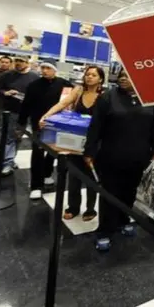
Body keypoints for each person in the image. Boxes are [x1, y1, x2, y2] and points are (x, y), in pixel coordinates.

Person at [83, 69, 154, 251]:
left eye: (127, 75)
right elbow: (95, 127)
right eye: (121, 76)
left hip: (138, 156)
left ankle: (123, 220)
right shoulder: (107, 98)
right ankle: (104, 231)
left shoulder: (151, 100)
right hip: (111, 155)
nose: (123, 79)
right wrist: (89, 151)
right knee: (110, 194)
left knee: (129, 191)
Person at [41, 65, 104, 221]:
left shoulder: (105, 95)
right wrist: (46, 116)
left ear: (100, 79)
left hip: (95, 141)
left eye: (93, 75)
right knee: (74, 175)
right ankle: (73, 207)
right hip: (75, 140)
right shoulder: (78, 91)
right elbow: (62, 104)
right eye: (87, 74)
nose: (89, 77)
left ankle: (90, 209)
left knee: (92, 176)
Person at [18, 60, 73, 199]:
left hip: (58, 124)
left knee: (53, 151)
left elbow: (71, 102)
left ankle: (47, 174)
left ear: (54, 70)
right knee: (37, 153)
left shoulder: (65, 84)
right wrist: (21, 123)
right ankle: (36, 185)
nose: (44, 71)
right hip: (39, 124)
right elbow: (26, 105)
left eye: (48, 68)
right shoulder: (33, 85)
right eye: (42, 68)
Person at [0, 56, 40, 175]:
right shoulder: (7, 75)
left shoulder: (34, 77)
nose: (18, 63)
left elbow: (38, 94)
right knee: (9, 137)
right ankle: (8, 163)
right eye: (17, 61)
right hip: (11, 111)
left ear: (27, 63)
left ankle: (10, 159)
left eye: (21, 61)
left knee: (18, 137)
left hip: (26, 113)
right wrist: (6, 92)